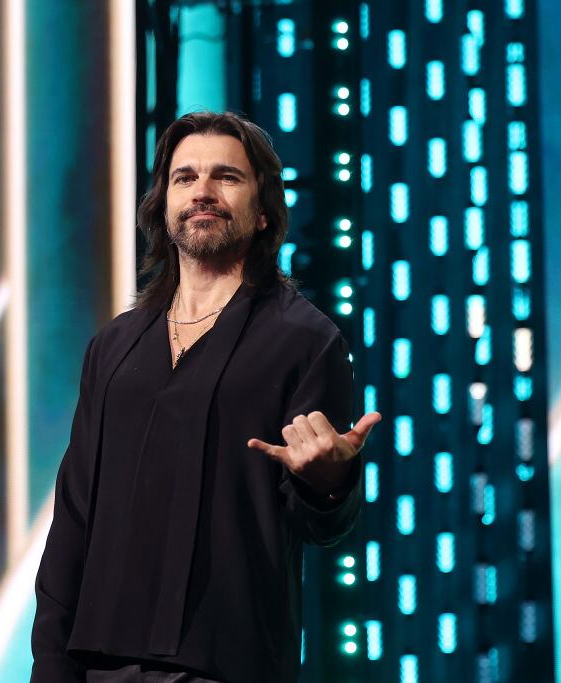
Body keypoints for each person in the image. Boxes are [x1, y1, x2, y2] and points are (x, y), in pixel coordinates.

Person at [30, 111, 381, 683]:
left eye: (227, 177)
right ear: (163, 205)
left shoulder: (305, 341)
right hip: (97, 665)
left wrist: (329, 482)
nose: (203, 192)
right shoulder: (113, 347)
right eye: (184, 177)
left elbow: (323, 524)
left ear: (263, 210)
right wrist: (50, 666)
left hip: (225, 665)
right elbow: (74, 517)